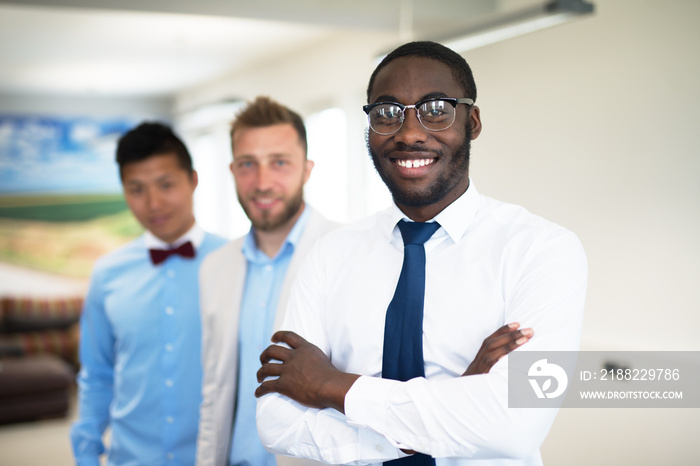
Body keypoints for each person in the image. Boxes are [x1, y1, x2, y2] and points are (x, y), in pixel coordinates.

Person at [255, 41, 588, 466]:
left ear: (473, 121)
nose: (410, 133)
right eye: (388, 113)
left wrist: (333, 388)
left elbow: (514, 425)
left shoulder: (541, 250)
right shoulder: (329, 255)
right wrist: (455, 400)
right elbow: (276, 422)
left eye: (436, 109)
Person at [70, 122, 227, 466]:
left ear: (193, 181)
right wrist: (86, 453)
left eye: (166, 185)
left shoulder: (235, 263)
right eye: (136, 189)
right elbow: (96, 373)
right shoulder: (106, 272)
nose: (153, 203)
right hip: (129, 458)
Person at [195, 97, 339, 466]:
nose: (262, 182)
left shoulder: (349, 254)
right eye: (248, 164)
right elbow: (215, 389)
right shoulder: (214, 267)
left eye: (279, 163)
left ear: (306, 169)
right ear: (231, 170)